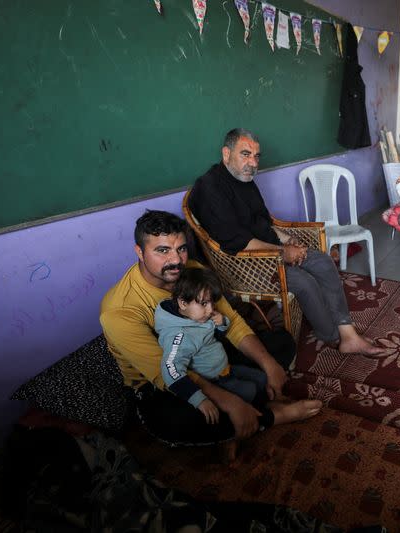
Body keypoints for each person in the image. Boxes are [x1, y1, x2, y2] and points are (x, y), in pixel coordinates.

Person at [100, 210, 322, 445]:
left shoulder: (192, 272)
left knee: (280, 343)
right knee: (180, 420)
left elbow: (232, 322)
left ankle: (251, 401)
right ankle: (271, 415)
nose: (176, 261)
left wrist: (269, 364)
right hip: (164, 379)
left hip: (208, 350)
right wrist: (229, 402)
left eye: (181, 249)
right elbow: (165, 373)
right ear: (140, 252)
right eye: (162, 250)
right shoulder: (119, 310)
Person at [188, 128, 382, 356]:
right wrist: (283, 252)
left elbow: (263, 222)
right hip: (242, 264)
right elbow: (236, 243)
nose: (253, 162)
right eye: (245, 154)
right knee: (305, 281)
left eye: (256, 156)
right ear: (226, 153)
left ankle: (348, 335)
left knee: (323, 261)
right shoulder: (211, 188)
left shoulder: (244, 178)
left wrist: (289, 240)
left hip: (269, 249)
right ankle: (332, 336)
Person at [156, 267, 271, 426]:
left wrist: (222, 322)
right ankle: (260, 416)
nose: (210, 310)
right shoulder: (179, 336)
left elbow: (217, 333)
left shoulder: (196, 313)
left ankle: (264, 401)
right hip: (216, 380)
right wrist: (198, 399)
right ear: (183, 303)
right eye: (204, 303)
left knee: (262, 377)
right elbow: (170, 368)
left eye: (211, 302)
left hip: (226, 367)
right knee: (250, 390)